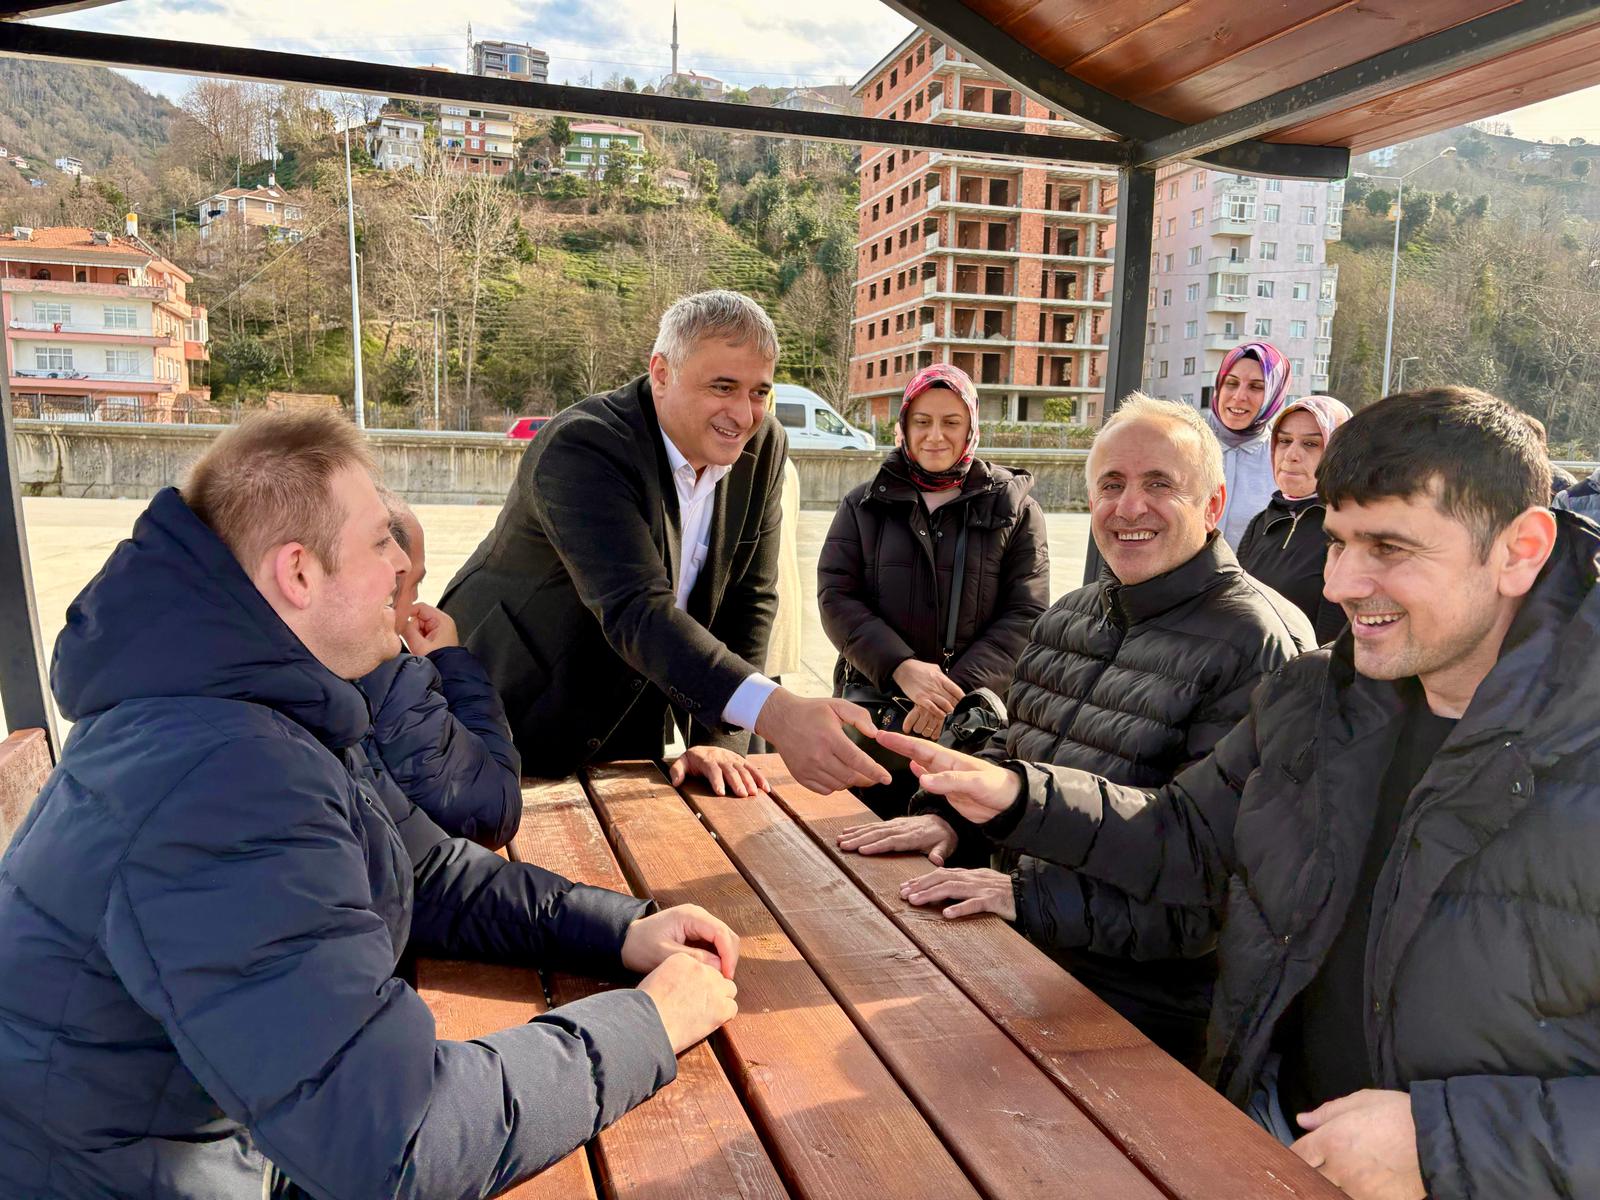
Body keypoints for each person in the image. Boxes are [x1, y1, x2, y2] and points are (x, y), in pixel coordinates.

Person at [878, 387, 1600, 1200]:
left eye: (1390, 548)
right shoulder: (1316, 696)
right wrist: (1017, 796)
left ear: (1520, 550)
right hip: (1264, 1135)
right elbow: (1185, 838)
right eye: (1337, 542)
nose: (1341, 584)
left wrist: (1444, 1143)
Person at [0, 411, 742, 1199]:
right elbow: (397, 1138)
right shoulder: (228, 777)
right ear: (298, 573)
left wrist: (620, 930)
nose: (401, 567)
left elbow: (429, 873)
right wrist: (648, 1025)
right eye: (381, 541)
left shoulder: (266, 703)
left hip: (227, 1141)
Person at [840, 394, 1312, 1064]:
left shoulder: (1257, 643)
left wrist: (1026, 897)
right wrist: (952, 822)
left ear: (1213, 505)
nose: (1129, 507)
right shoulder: (1069, 617)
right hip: (1017, 951)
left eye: (1159, 484)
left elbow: (1214, 890)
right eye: (1111, 485)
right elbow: (1016, 754)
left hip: (1135, 1011)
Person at [441, 290, 889, 799]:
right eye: (723, 387)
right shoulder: (583, 446)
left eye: (759, 392)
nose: (743, 415)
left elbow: (749, 600)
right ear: (661, 373)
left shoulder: (763, 446)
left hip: (628, 718)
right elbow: (636, 609)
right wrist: (778, 714)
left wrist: (719, 740)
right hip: (506, 712)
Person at [817, 363, 1049, 816]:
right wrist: (900, 667)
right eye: (922, 421)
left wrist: (950, 692)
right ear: (904, 426)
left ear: (971, 428)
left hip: (973, 724)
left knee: (956, 835)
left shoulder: (1015, 509)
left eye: (951, 422)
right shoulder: (864, 504)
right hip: (878, 716)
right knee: (864, 830)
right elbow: (836, 597)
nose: (935, 436)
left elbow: (1027, 613)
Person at [357, 490, 522, 850]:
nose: (414, 602)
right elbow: (494, 812)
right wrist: (450, 661)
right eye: (413, 584)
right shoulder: (387, 679)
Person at [1236, 396, 1353, 643]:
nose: (1291, 455)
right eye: (1284, 441)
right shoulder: (1262, 522)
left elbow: (1335, 637)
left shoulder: (1347, 529)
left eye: (1311, 444)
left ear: (1338, 453)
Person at [1209, 341, 1290, 549]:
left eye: (1256, 387)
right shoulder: (1184, 444)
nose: (1239, 397)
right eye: (1231, 383)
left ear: (1274, 394)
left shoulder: (1284, 459)